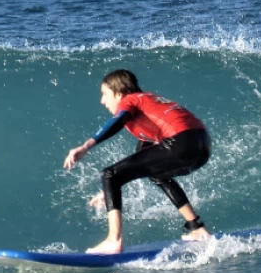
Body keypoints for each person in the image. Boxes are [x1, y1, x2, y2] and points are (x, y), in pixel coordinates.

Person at [63, 69, 212, 254]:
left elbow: (117, 122)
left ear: (119, 93)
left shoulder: (130, 100)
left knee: (109, 173)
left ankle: (113, 240)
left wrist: (86, 146)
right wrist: (109, 189)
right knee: (156, 174)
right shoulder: (148, 103)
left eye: (105, 94)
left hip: (180, 141)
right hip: (202, 145)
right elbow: (139, 161)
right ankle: (197, 228)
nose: (102, 101)